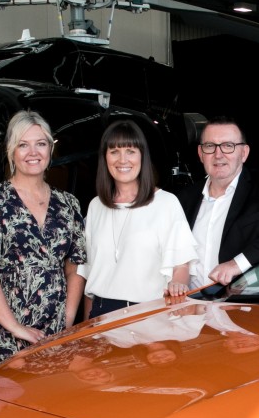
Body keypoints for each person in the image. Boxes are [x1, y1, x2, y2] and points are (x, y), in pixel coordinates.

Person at [0, 110, 86, 373]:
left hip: (53, 331)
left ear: (50, 149)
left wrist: (66, 320)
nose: (33, 152)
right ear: (11, 151)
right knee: (2, 406)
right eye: (23, 144)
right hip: (3, 331)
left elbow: (76, 265)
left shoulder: (68, 204)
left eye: (40, 143)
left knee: (50, 404)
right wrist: (15, 327)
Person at [176, 116, 259, 290]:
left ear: (244, 153)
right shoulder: (185, 198)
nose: (218, 154)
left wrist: (236, 264)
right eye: (210, 146)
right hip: (192, 307)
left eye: (228, 146)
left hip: (245, 305)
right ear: (200, 153)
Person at [79, 119, 196, 319]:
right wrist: (86, 326)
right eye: (114, 151)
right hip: (101, 315)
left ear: (142, 156)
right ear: (105, 158)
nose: (122, 160)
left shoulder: (166, 203)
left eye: (130, 151)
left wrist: (178, 284)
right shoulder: (95, 206)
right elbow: (90, 274)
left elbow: (182, 264)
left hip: (149, 315)